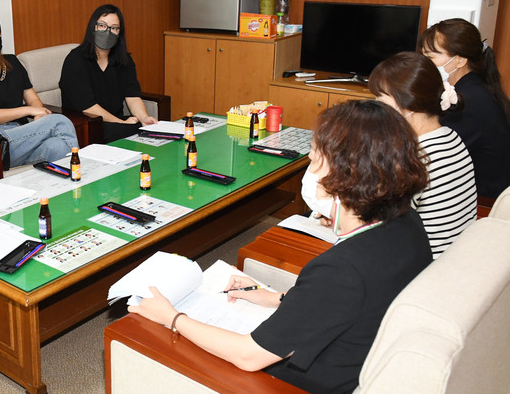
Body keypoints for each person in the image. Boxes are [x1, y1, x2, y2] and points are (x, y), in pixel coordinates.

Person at [129, 100, 432, 394]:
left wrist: (173, 318)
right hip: (357, 360)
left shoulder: (341, 268)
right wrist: (278, 299)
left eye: (315, 158)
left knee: (149, 333)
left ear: (345, 173)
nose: (310, 167)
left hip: (298, 382)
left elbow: (248, 356)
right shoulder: (407, 223)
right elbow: (348, 303)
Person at [369, 52, 477, 257]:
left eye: (381, 101)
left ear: (408, 104)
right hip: (456, 256)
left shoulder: (413, 156)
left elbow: (380, 228)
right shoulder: (451, 136)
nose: (377, 109)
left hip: (425, 264)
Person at [0, 10, 78, 167]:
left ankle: (72, 180)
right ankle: (81, 172)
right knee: (59, 121)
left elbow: (32, 99)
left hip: (24, 135)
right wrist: (28, 111)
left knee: (58, 146)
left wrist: (38, 115)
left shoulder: (12, 62)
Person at [419, 18, 510, 198]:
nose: (424, 63)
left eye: (431, 57)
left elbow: (437, 155)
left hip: (481, 199)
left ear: (460, 60)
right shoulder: (473, 86)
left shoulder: (468, 101)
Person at [59, 4, 157, 142]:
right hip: (86, 124)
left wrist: (144, 118)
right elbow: (88, 108)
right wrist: (121, 123)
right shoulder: (76, 59)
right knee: (131, 131)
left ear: (119, 33)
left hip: (115, 122)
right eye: (102, 25)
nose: (108, 31)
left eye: (114, 28)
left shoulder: (124, 60)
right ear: (93, 27)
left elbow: (133, 97)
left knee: (144, 128)